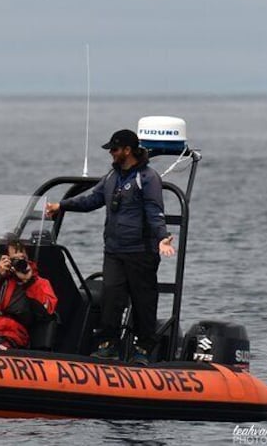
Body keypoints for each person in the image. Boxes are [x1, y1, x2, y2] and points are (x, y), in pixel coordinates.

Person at [45, 129, 176, 365]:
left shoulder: (147, 178)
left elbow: (155, 211)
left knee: (143, 300)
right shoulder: (111, 177)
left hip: (141, 252)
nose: (111, 154)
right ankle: (108, 345)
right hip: (114, 250)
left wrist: (163, 237)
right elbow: (91, 200)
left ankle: (143, 348)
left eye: (114, 149)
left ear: (127, 150)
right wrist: (61, 205)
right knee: (112, 297)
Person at [0, 235, 58, 349]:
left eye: (23, 259)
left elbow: (47, 311)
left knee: (4, 342)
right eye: (15, 260)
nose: (19, 263)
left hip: (14, 332)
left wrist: (28, 282)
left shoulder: (39, 283)